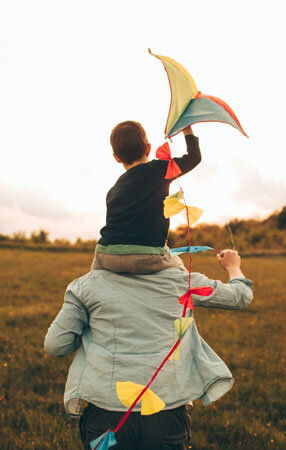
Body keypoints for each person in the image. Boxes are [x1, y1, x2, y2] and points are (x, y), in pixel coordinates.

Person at [44, 250, 253, 449]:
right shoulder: (183, 281)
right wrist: (233, 266)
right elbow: (240, 295)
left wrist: (90, 337)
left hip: (106, 414)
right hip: (165, 413)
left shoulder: (86, 286)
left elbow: (55, 345)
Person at [91, 120, 201, 274]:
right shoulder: (159, 170)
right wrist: (187, 130)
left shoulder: (113, 190)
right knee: (178, 268)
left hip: (104, 254)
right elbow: (194, 157)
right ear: (148, 149)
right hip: (145, 256)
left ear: (116, 157)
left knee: (95, 278)